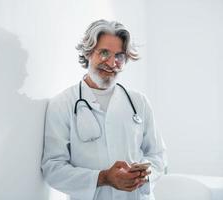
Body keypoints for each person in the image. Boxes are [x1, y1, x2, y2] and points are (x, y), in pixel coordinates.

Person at [41, 19, 167, 200]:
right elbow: (53, 168)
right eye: (104, 52)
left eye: (119, 56)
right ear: (88, 52)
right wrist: (104, 178)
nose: (112, 62)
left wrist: (144, 175)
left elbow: (158, 156)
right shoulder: (63, 104)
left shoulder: (139, 102)